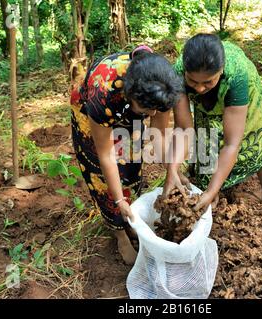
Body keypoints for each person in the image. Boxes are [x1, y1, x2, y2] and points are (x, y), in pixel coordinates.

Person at [70, 45, 184, 264]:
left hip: (130, 107)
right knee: (100, 175)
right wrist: (119, 199)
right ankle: (120, 235)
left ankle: (131, 222)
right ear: (131, 94)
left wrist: (172, 171)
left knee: (131, 161)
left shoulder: (162, 87)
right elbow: (106, 155)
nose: (152, 115)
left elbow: (157, 134)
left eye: (155, 110)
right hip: (92, 111)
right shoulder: (102, 91)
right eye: (146, 111)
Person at [163, 33, 262, 213]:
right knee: (207, 143)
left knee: (256, 141)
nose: (199, 88)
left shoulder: (237, 75)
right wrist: (172, 170)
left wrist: (211, 192)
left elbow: (232, 144)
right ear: (185, 71)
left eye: (207, 82)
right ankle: (212, 184)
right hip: (208, 100)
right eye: (192, 80)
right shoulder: (177, 74)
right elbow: (184, 128)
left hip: (243, 94)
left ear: (221, 70)